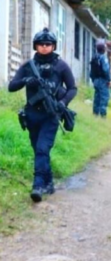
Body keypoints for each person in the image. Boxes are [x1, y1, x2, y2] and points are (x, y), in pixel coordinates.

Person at [8, 28, 77, 201]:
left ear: (53, 46)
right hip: (32, 115)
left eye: (48, 44)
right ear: (35, 46)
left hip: (50, 116)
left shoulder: (60, 66)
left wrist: (62, 103)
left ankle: (38, 185)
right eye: (41, 44)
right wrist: (26, 80)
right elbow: (11, 86)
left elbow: (72, 89)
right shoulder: (28, 66)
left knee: (42, 149)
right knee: (38, 150)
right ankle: (49, 182)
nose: (45, 47)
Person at [90, 40, 111, 118]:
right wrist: (108, 80)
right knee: (104, 97)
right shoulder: (103, 58)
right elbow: (106, 70)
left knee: (97, 97)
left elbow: (91, 71)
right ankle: (103, 115)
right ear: (103, 49)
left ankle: (95, 114)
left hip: (96, 80)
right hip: (103, 80)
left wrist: (93, 80)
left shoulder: (94, 57)